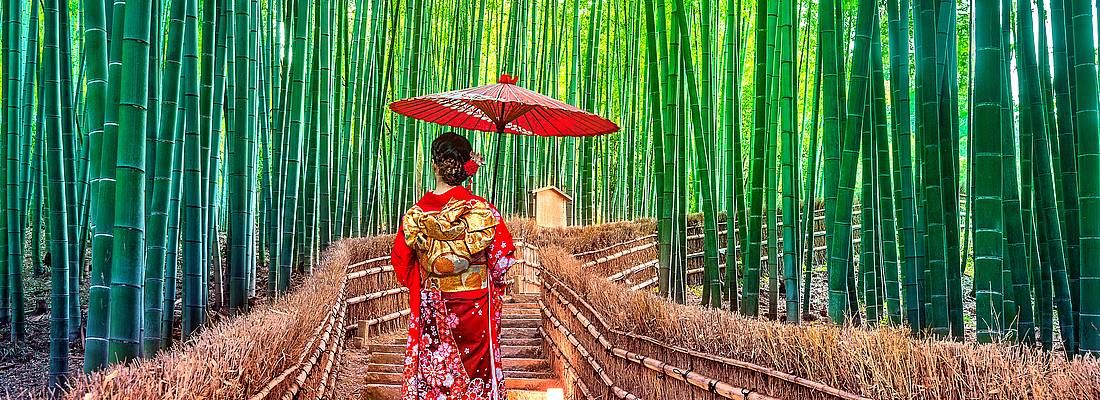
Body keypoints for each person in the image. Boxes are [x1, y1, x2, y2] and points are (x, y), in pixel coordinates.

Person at [391, 132, 515, 400]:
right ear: (467, 168)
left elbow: (401, 263)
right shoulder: (482, 210)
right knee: (477, 372)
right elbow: (502, 262)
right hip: (474, 303)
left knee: (434, 370)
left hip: (433, 301)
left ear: (435, 165)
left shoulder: (417, 212)